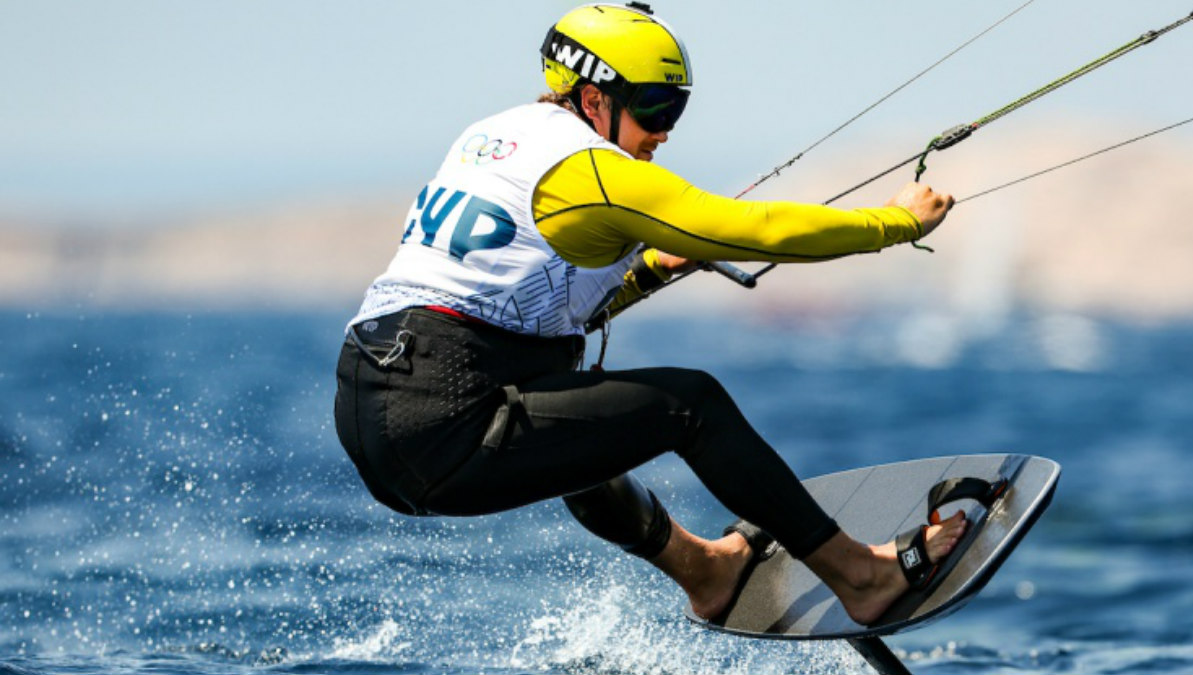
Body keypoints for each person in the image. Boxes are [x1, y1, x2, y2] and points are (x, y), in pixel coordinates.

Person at [334, 1, 965, 625]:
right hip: (440, 421)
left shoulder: (495, 138)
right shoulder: (592, 172)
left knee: (577, 414)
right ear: (592, 99)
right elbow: (753, 229)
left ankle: (706, 571)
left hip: (374, 403)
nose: (664, 131)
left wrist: (646, 271)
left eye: (676, 108)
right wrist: (897, 222)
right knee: (691, 405)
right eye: (655, 108)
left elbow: (525, 300)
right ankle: (862, 577)